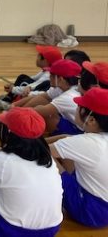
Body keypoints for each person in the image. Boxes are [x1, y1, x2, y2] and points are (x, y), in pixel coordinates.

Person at [0, 108, 63, 236]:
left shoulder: (3, 161)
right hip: (51, 229)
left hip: (13, 231)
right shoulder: (49, 160)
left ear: (9, 132)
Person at [50, 87, 108, 228]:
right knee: (67, 146)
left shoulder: (88, 143)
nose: (76, 109)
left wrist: (27, 141)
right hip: (103, 207)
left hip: (90, 212)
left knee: (46, 157)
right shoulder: (97, 140)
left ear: (91, 119)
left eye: (79, 107)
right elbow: (67, 140)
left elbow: (42, 151)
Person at [33, 59, 82, 135]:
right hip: (74, 122)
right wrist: (16, 105)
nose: (49, 77)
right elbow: (43, 97)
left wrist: (17, 111)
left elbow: (39, 111)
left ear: (60, 79)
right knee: (45, 104)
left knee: (47, 114)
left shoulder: (69, 96)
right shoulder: (66, 87)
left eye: (51, 75)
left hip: (80, 131)